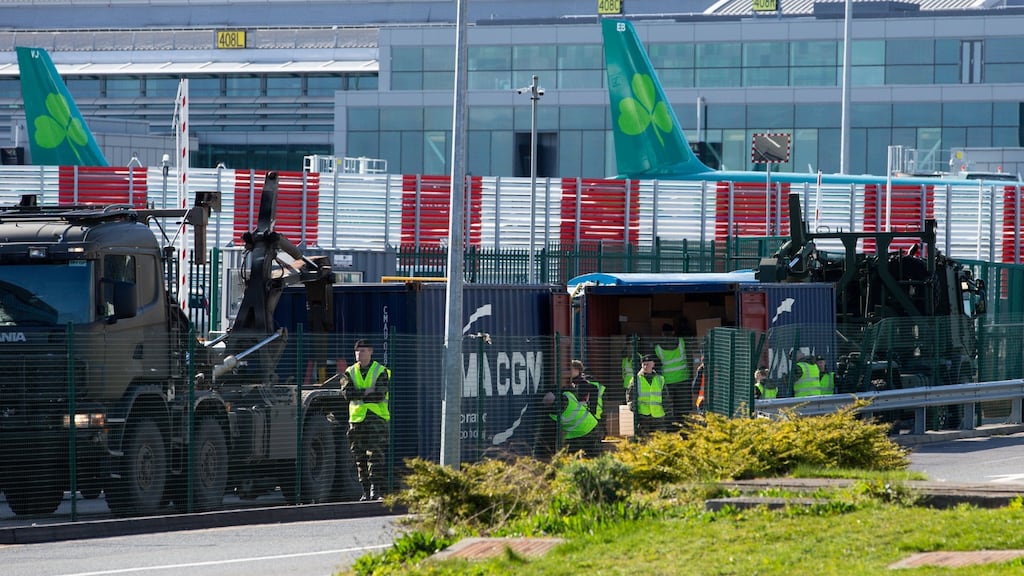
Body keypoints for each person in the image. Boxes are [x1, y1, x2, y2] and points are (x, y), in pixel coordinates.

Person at [340, 339, 390, 501]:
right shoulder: (350, 372)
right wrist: (367, 392)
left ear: (371, 352)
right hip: (357, 421)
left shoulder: (380, 371)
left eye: (362, 350)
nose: (359, 354)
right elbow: (347, 394)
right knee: (359, 457)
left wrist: (360, 393)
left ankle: (376, 490)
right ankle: (365, 492)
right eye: (357, 351)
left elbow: (379, 395)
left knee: (375, 456)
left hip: (376, 419)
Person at [546, 359, 602, 456]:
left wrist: (591, 412)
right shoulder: (569, 385)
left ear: (577, 370)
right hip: (580, 425)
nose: (569, 371)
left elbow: (592, 399)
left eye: (571, 369)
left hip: (583, 423)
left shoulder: (583, 385)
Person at [655, 323, 690, 425]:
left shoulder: (658, 348)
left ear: (662, 334)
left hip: (668, 381)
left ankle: (672, 427)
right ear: (673, 332)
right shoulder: (682, 342)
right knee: (683, 406)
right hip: (683, 379)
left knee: (670, 406)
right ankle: (683, 425)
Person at [626, 354, 666, 437]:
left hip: (658, 415)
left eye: (648, 364)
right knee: (644, 440)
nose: (645, 366)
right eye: (644, 364)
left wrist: (668, 413)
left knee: (660, 440)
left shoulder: (660, 379)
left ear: (653, 364)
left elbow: (665, 397)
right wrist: (633, 408)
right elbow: (630, 396)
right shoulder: (636, 379)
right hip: (643, 415)